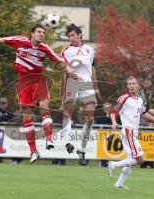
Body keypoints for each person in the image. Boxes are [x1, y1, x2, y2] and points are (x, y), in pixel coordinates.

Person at [0, 24, 75, 163]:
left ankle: (49, 141)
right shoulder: (20, 41)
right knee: (27, 117)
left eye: (43, 32)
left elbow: (60, 61)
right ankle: (33, 152)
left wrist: (72, 73)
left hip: (38, 81)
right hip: (24, 83)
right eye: (39, 32)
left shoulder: (45, 48)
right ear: (32, 33)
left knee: (44, 107)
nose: (42, 34)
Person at [108, 76, 154, 189]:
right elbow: (113, 111)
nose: (132, 85)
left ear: (137, 85)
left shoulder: (140, 99)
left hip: (134, 132)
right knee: (140, 160)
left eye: (133, 83)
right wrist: (113, 122)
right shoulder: (124, 98)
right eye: (130, 84)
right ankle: (113, 164)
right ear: (127, 86)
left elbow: (143, 112)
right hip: (128, 131)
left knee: (131, 160)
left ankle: (118, 183)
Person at [61, 24, 101, 165]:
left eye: (72, 35)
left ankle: (81, 150)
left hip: (87, 84)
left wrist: (96, 87)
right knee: (67, 114)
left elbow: (92, 68)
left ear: (80, 35)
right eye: (69, 36)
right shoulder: (66, 51)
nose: (70, 38)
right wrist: (72, 75)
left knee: (89, 118)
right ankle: (68, 143)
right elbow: (65, 69)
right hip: (72, 83)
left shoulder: (90, 50)